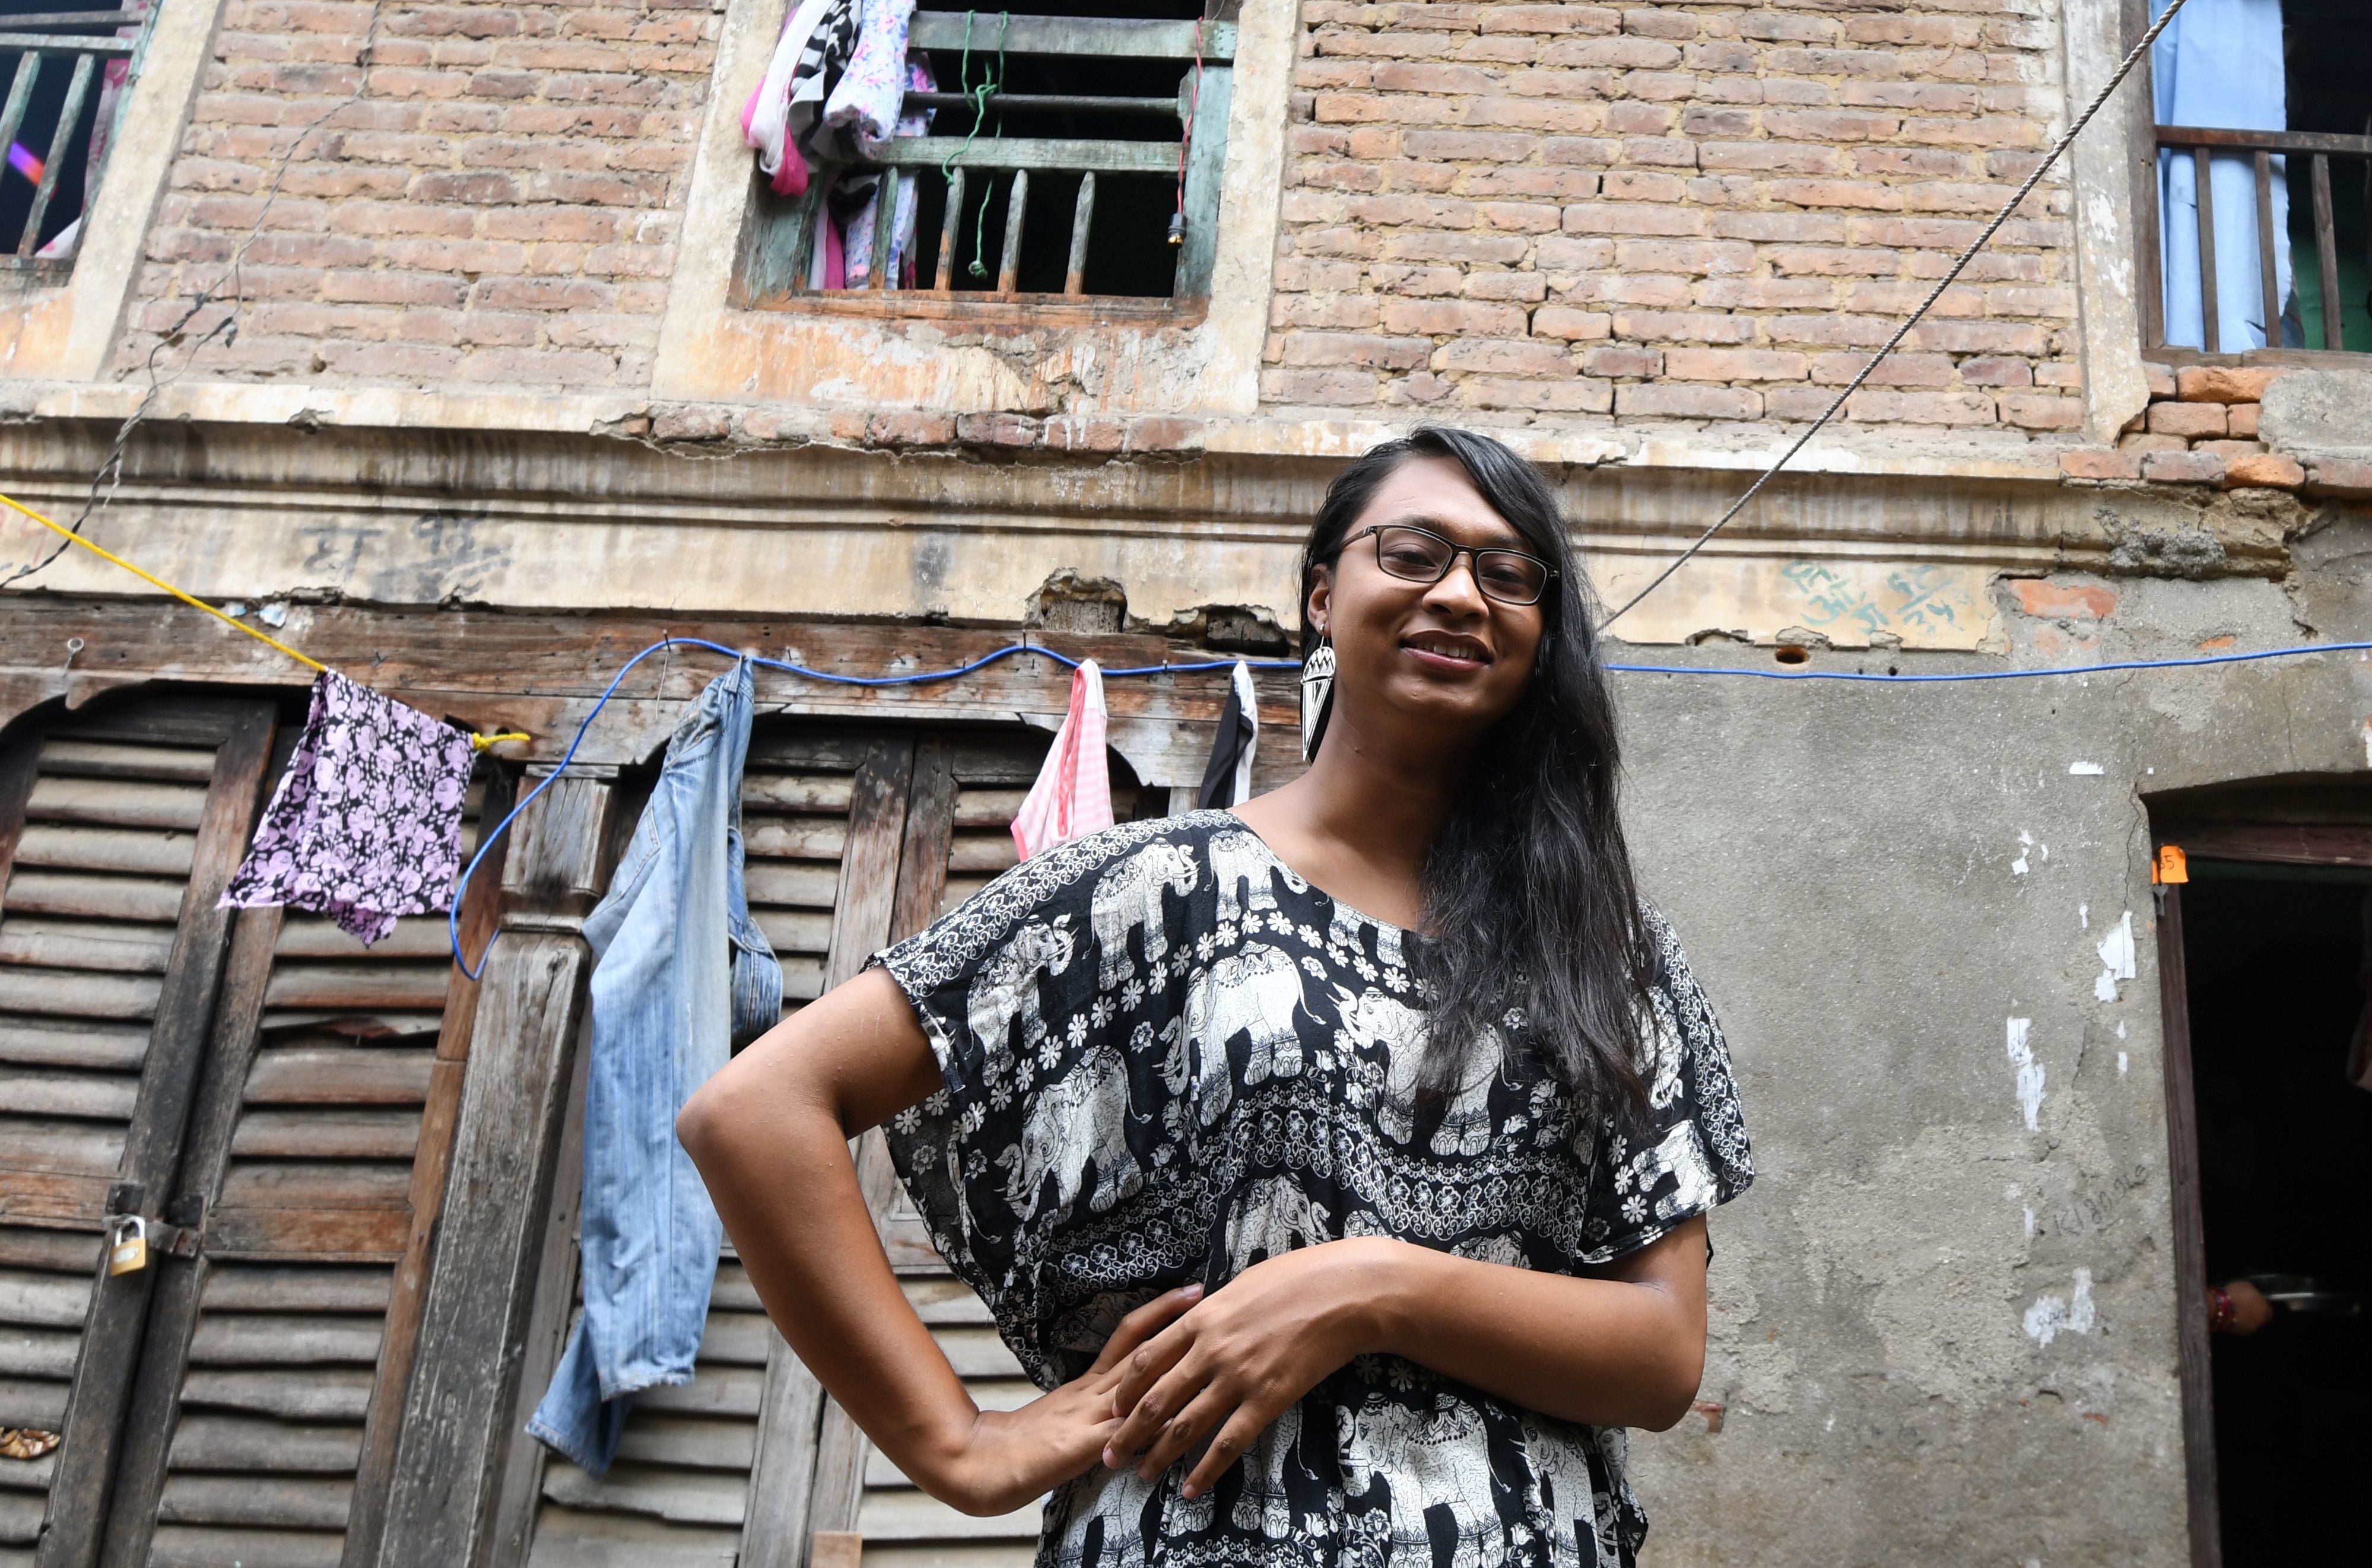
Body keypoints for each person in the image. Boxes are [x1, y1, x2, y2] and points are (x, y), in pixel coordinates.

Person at [679, 425, 1753, 1568]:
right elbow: (754, 1111)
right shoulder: (1156, 889)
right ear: (1321, 595)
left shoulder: (1601, 949)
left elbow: (1660, 1354)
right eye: (1413, 553)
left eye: (1506, 575)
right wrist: (960, 1447)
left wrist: (1367, 1286)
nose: (1459, 595)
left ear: (1541, 640)